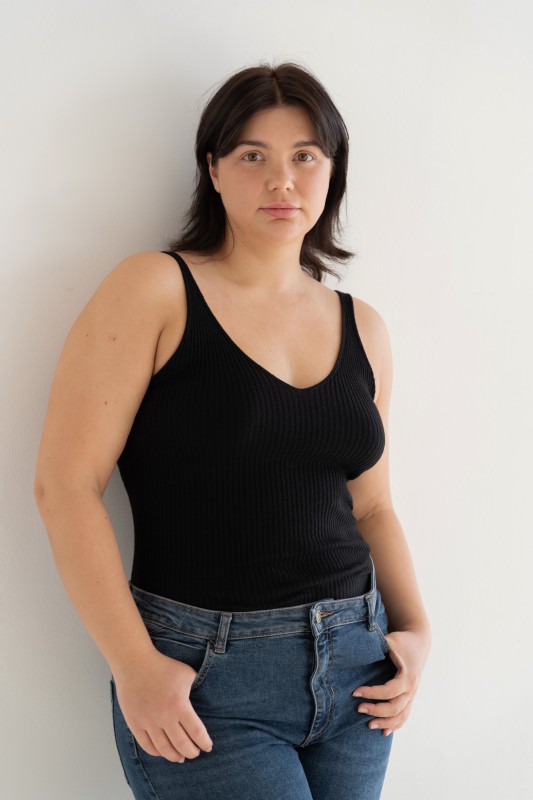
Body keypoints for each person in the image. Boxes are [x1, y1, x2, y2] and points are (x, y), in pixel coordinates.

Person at [34, 62, 431, 800]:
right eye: (253, 155)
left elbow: (372, 506)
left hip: (358, 671)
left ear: (331, 172)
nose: (282, 180)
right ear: (213, 170)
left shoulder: (363, 326)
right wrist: (134, 664)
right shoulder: (154, 289)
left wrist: (417, 632)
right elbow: (66, 486)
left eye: (304, 155)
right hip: (205, 677)